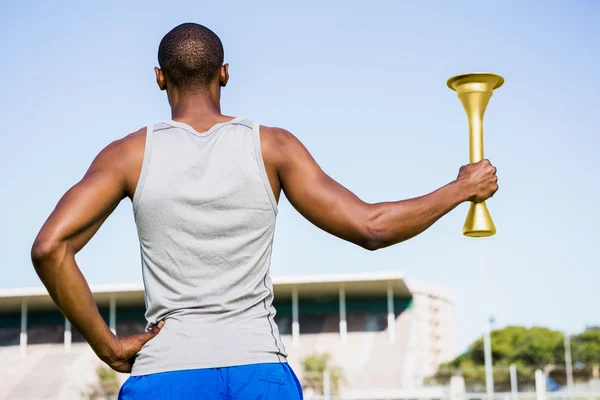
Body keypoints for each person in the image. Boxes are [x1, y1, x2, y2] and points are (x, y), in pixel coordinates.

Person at [30, 22, 498, 400]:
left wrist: (107, 346)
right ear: (225, 74)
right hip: (259, 373)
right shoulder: (272, 147)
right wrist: (461, 188)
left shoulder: (127, 155)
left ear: (159, 77)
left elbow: (51, 249)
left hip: (166, 372)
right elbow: (369, 227)